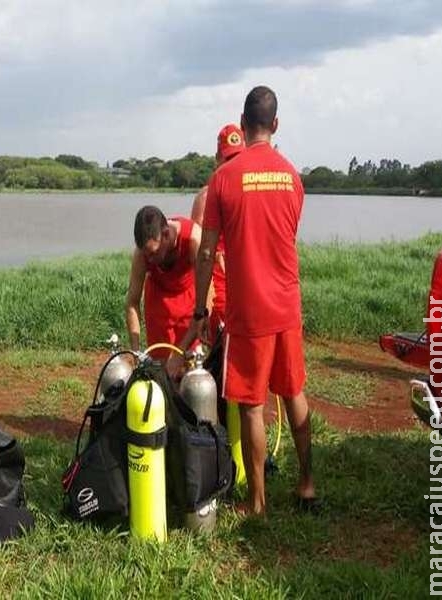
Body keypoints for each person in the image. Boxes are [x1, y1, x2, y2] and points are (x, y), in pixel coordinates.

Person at [179, 86, 316, 517]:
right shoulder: (293, 176)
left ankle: (257, 503)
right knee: (294, 392)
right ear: (275, 124)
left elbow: (206, 252)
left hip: (249, 310)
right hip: (287, 304)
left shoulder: (223, 179)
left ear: (243, 122)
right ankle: (308, 485)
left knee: (253, 406)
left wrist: (200, 310)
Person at [124, 206, 201, 363]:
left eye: (153, 253)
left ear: (166, 234)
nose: (150, 260)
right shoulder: (143, 253)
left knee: (188, 366)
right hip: (158, 303)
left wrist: (180, 353)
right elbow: (132, 302)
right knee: (161, 367)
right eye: (147, 255)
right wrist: (136, 351)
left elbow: (206, 297)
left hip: (189, 300)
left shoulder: (193, 238)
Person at [189, 123, 245, 339]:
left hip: (244, 281)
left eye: (237, 158)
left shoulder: (249, 192)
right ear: (217, 159)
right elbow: (199, 250)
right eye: (228, 159)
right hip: (217, 282)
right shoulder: (206, 196)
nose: (232, 164)